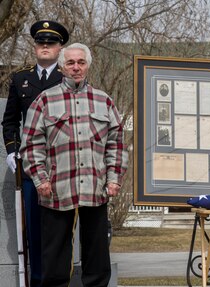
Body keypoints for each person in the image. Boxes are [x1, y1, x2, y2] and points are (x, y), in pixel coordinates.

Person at [20, 43, 128, 287]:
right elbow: (31, 144)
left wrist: (114, 178)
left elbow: (117, 144)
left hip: (95, 189)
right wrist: (41, 179)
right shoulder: (44, 100)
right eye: (70, 63)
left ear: (87, 65)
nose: (76, 67)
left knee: (97, 256)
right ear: (61, 66)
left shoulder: (104, 101)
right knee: (55, 258)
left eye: (81, 62)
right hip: (56, 189)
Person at [1, 20, 69, 287]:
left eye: (50, 43)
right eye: (40, 42)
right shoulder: (21, 79)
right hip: (31, 165)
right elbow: (10, 121)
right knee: (33, 229)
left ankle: (58, 279)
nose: (45, 46)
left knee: (60, 228)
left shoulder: (67, 77)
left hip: (62, 164)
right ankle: (38, 279)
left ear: (59, 47)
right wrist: (11, 150)